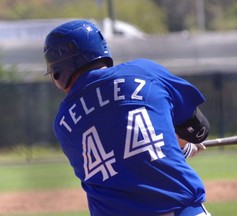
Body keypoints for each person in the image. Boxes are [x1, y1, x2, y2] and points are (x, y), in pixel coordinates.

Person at [44, 19, 211, 216]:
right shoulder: (144, 71)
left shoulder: (63, 124)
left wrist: (176, 146)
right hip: (181, 210)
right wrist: (183, 144)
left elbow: (119, 165)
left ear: (57, 73)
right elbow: (198, 129)